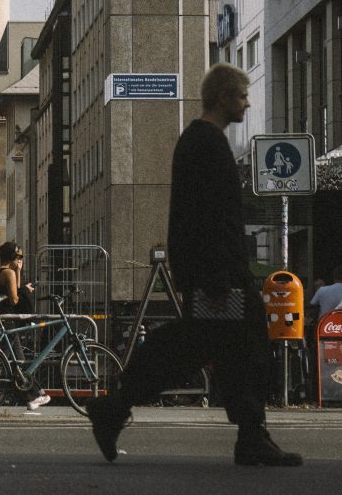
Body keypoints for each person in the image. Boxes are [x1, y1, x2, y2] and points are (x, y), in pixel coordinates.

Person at [87, 64, 302, 467]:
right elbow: (209, 215)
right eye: (241, 95)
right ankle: (249, 436)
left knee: (205, 345)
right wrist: (220, 276)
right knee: (231, 344)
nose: (247, 101)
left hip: (209, 271)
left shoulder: (197, 140)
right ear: (223, 97)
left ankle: (117, 407)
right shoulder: (207, 143)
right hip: (218, 275)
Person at [0, 241, 50, 413]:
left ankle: (33, 396)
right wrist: (23, 287)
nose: (21, 260)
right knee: (1, 361)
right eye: (20, 257)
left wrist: (18, 274)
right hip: (8, 319)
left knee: (17, 361)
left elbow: (11, 289)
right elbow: (14, 299)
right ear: (13, 256)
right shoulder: (8, 272)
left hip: (0, 317)